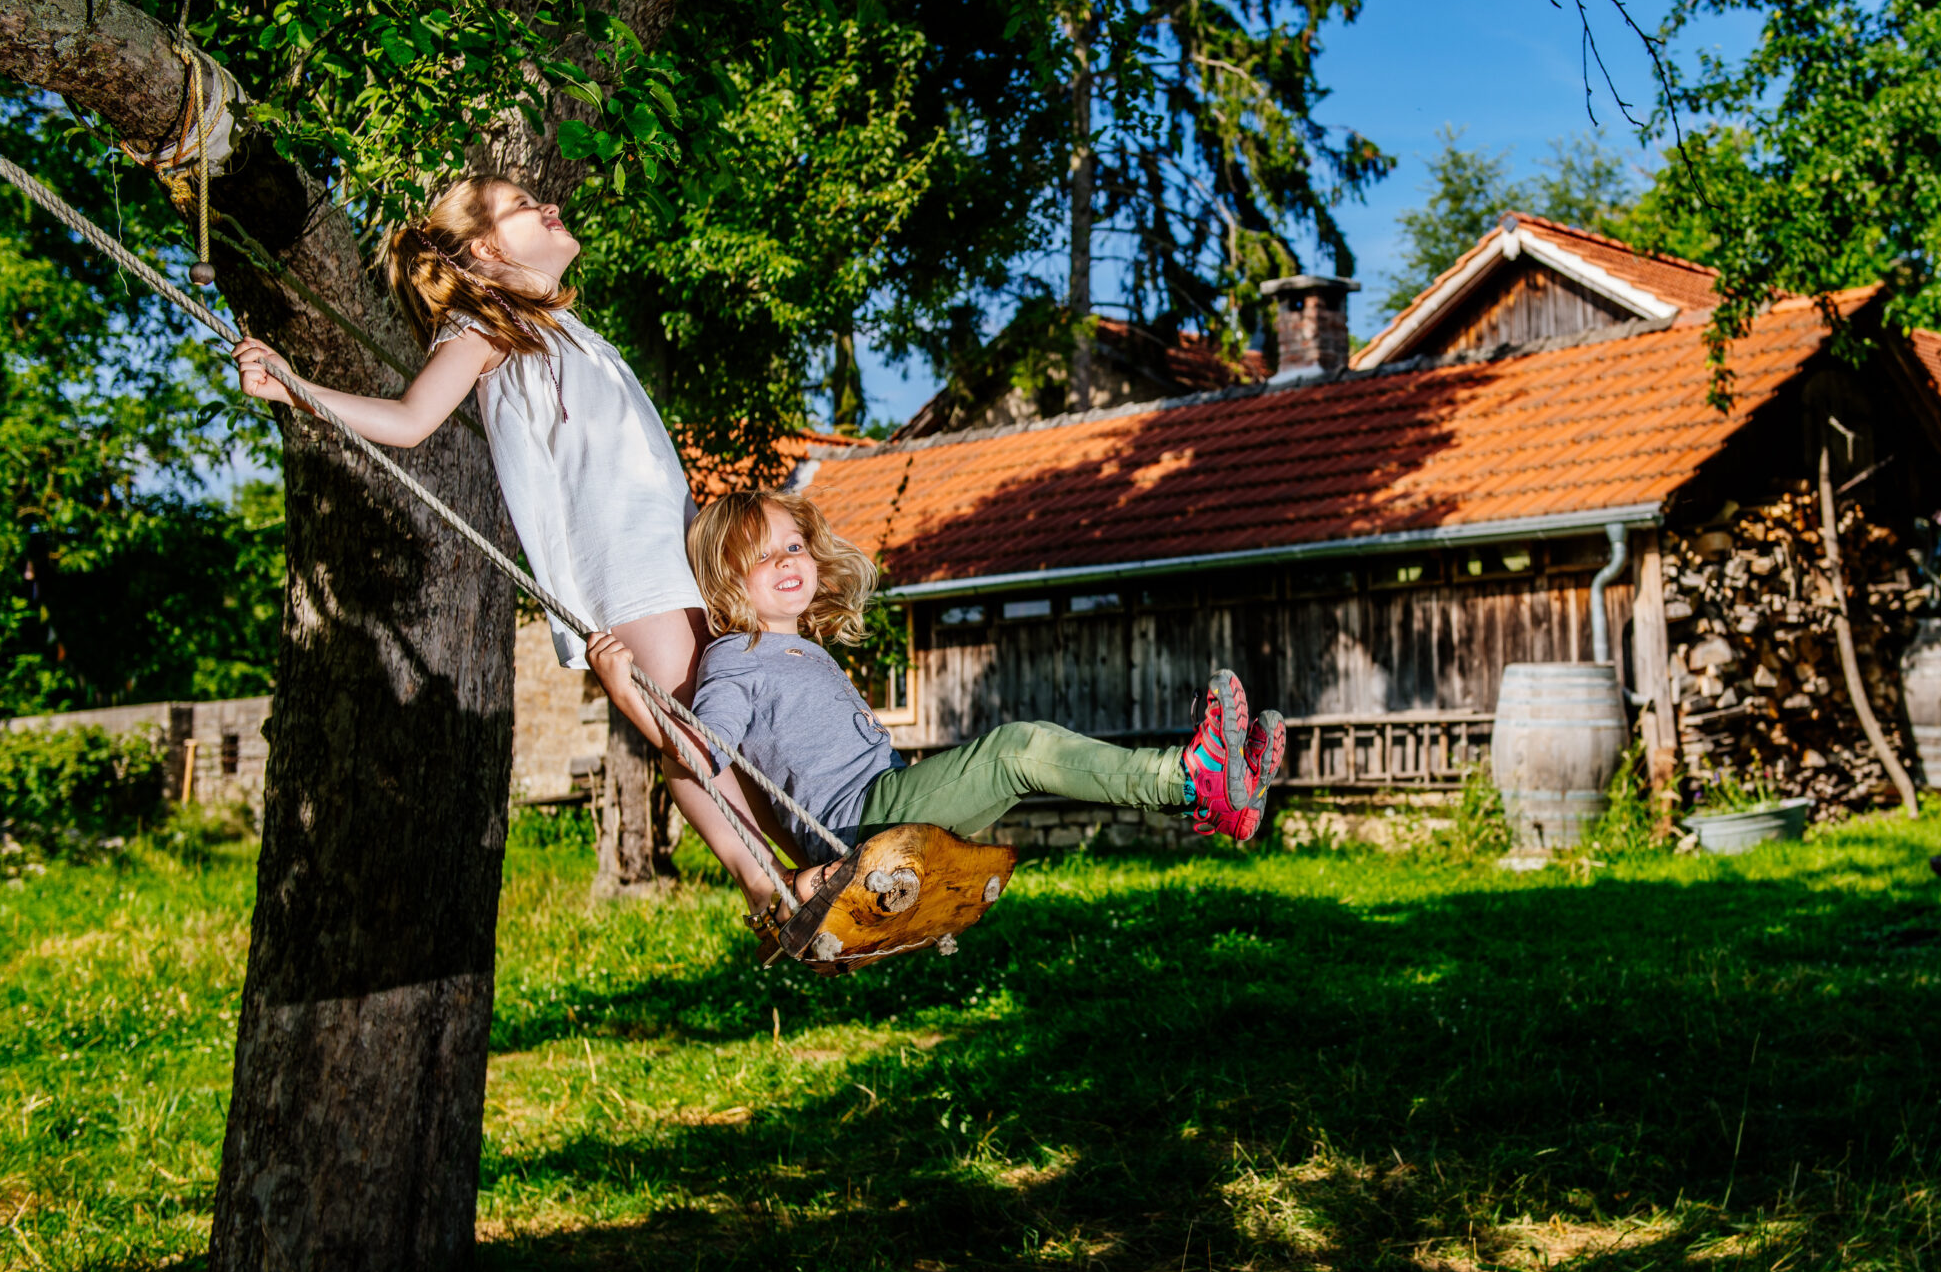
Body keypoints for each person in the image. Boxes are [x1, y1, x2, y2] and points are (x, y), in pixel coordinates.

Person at [230, 175, 783, 912]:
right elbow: (409, 418)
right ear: (487, 247)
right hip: (628, 571)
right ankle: (768, 888)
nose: (549, 204)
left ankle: (815, 871)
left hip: (677, 555)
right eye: (524, 205)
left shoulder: (562, 327)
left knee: (732, 726)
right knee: (693, 731)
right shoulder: (483, 327)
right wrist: (296, 387)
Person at [587, 491, 1284, 898]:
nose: (787, 561)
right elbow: (702, 753)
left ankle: (1234, 795)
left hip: (891, 798)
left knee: (1027, 757)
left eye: (793, 545)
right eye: (762, 556)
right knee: (1021, 748)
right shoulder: (736, 659)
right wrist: (626, 691)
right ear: (726, 581)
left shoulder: (802, 649)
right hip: (860, 825)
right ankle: (1191, 779)